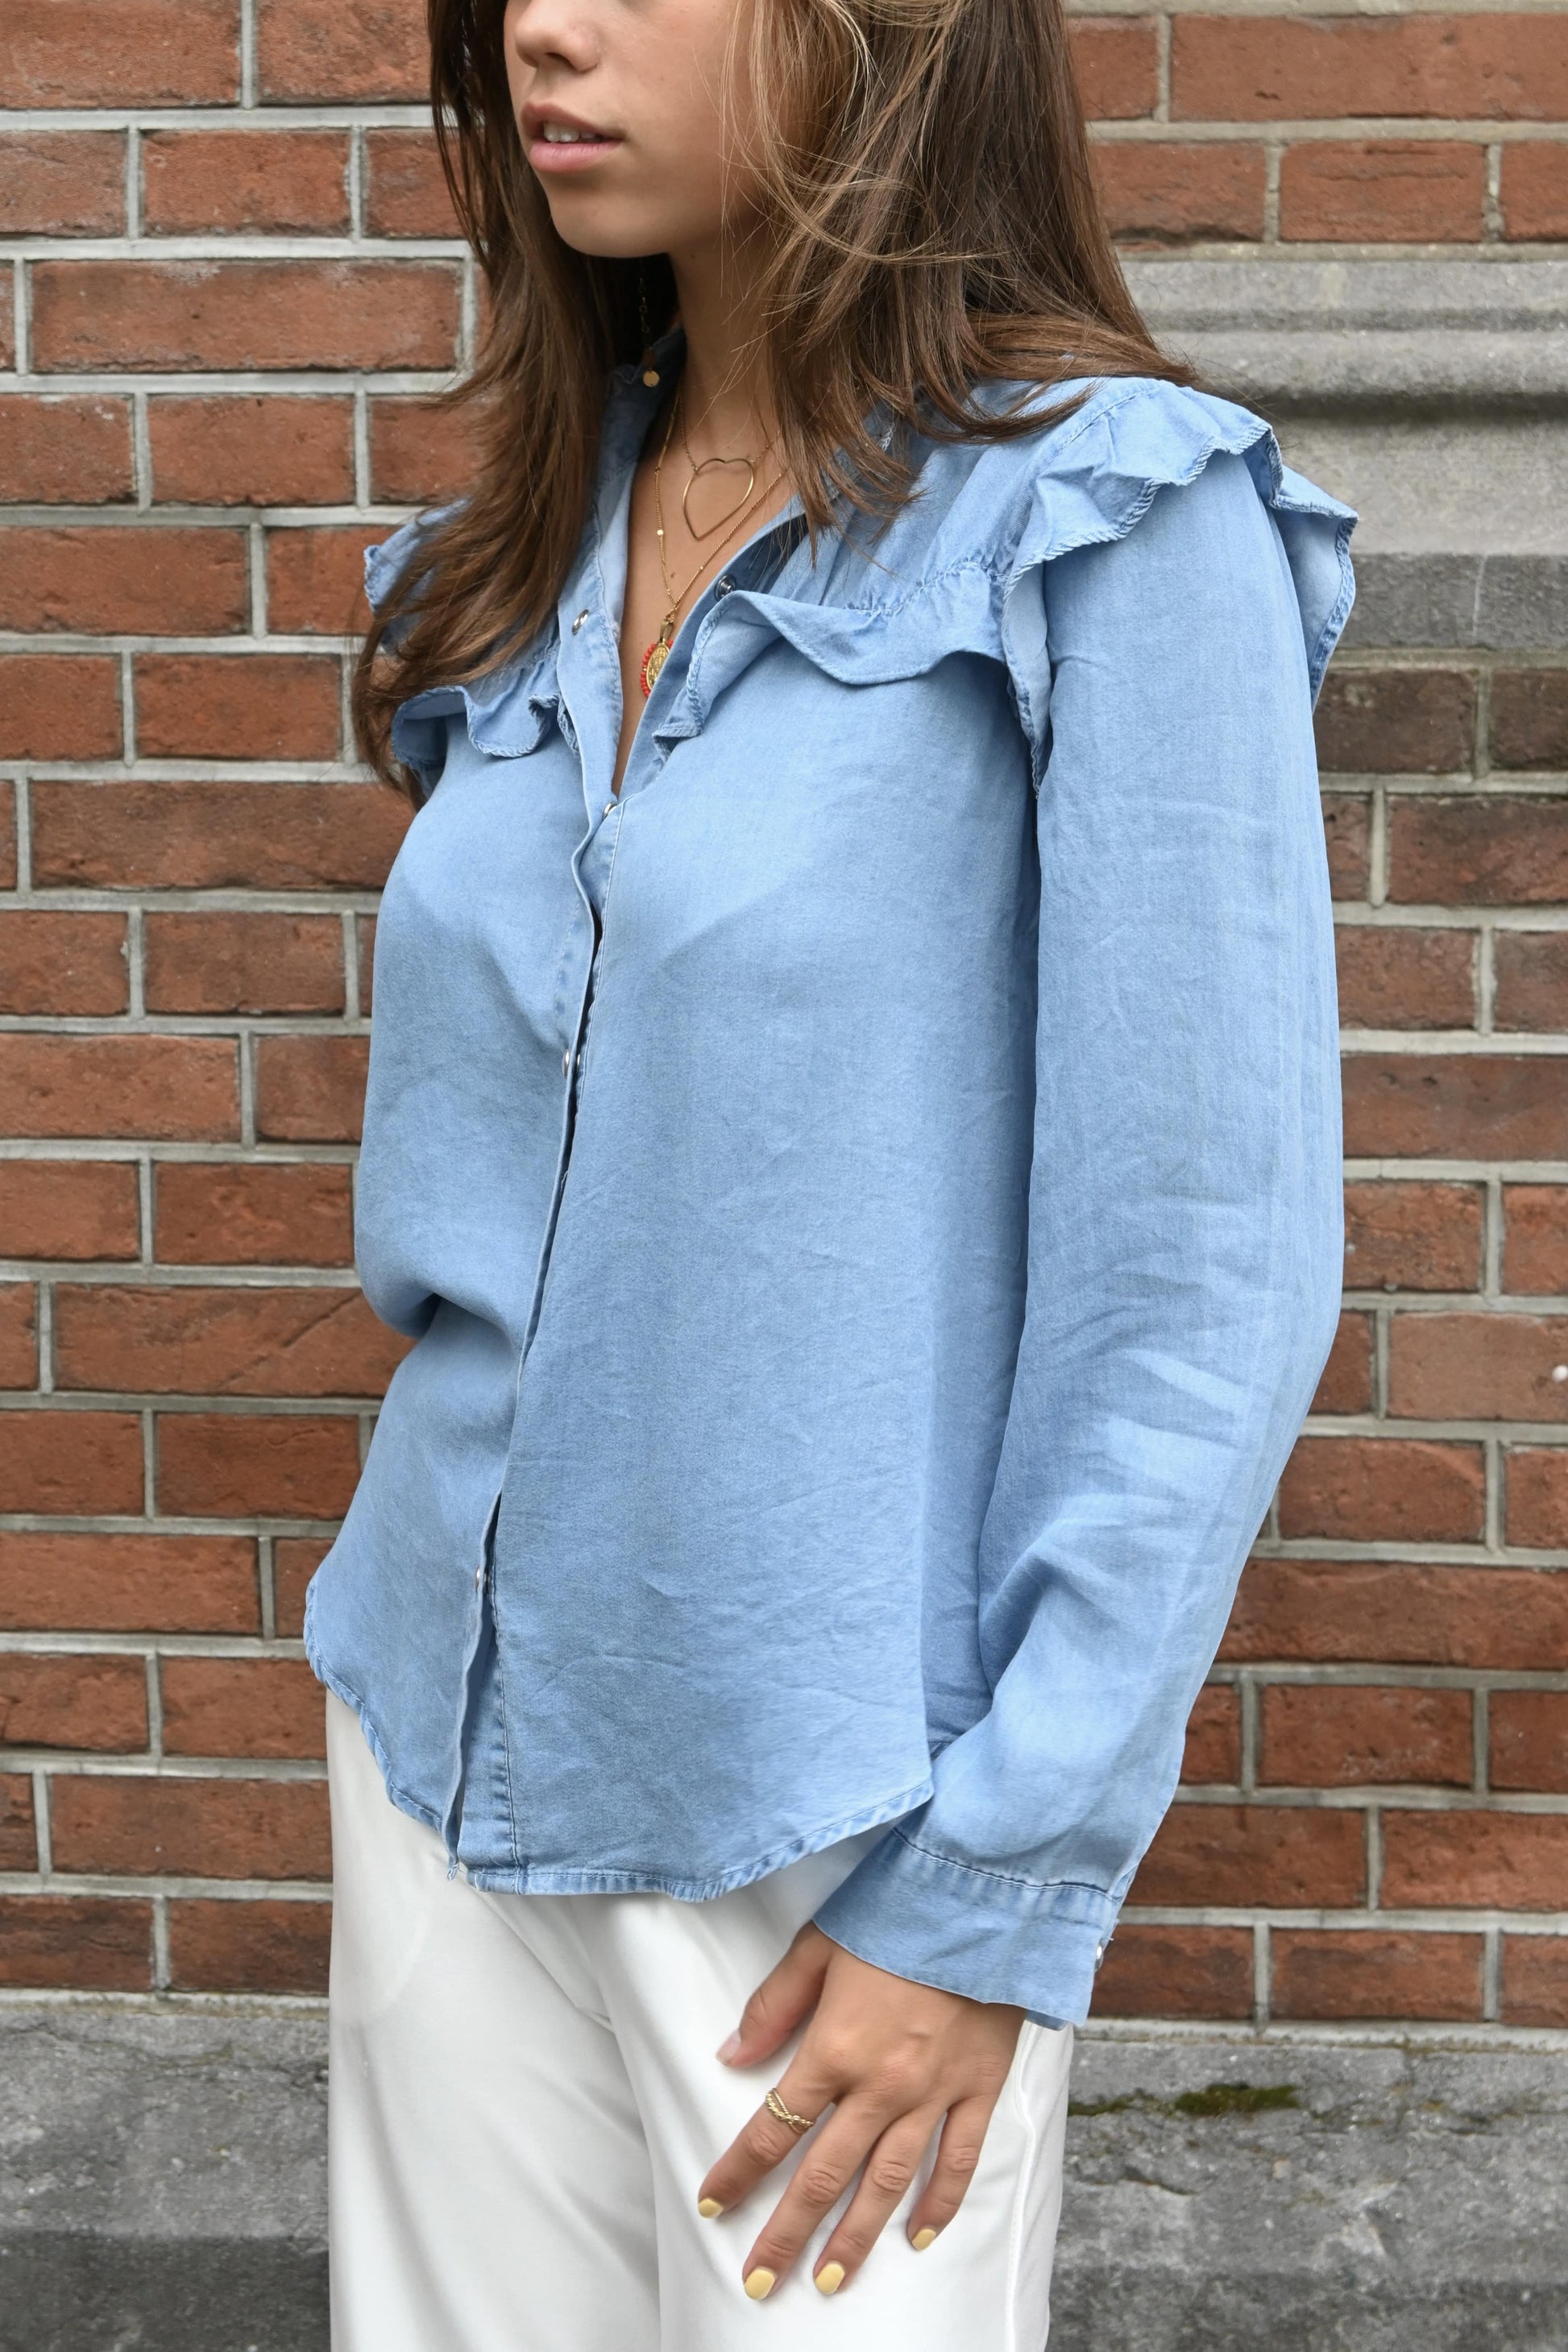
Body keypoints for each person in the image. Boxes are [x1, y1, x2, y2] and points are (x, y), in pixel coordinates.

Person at [304, 0, 1355, 2338]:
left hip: (840, 1836)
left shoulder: (1115, 521)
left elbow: (1202, 1277)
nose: (544, 27)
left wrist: (992, 1894)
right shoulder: (523, 545)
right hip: (441, 1730)